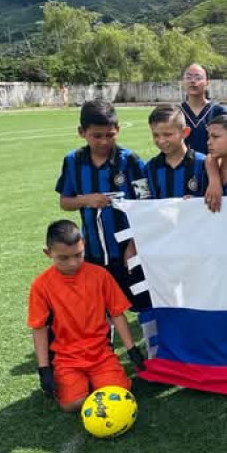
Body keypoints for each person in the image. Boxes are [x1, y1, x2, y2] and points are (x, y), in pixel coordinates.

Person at [28, 220, 145, 412]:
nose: (73, 263)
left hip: (101, 354)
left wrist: (132, 349)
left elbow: (117, 314)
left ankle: (96, 381)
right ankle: (79, 384)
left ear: (84, 245)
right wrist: (44, 369)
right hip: (66, 358)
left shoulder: (100, 275)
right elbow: (39, 328)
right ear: (48, 253)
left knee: (121, 394)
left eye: (78, 255)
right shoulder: (41, 286)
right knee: (72, 405)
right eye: (63, 258)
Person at [55, 99, 147, 305]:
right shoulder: (73, 161)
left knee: (142, 300)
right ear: (82, 132)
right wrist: (87, 200)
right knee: (101, 304)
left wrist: (135, 243)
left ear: (118, 130)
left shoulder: (130, 160)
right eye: (97, 136)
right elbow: (65, 202)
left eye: (110, 135)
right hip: (94, 250)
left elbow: (146, 204)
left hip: (129, 248)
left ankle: (151, 337)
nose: (104, 142)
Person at [145, 103, 207, 199]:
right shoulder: (150, 167)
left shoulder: (203, 164)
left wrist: (197, 204)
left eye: (167, 135)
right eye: (156, 135)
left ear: (185, 132)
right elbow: (144, 203)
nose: (161, 141)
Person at [180, 64, 227, 156]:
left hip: (213, 165)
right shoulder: (176, 112)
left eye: (198, 78)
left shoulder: (219, 111)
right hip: (183, 167)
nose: (193, 81)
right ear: (183, 82)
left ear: (207, 83)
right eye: (188, 77)